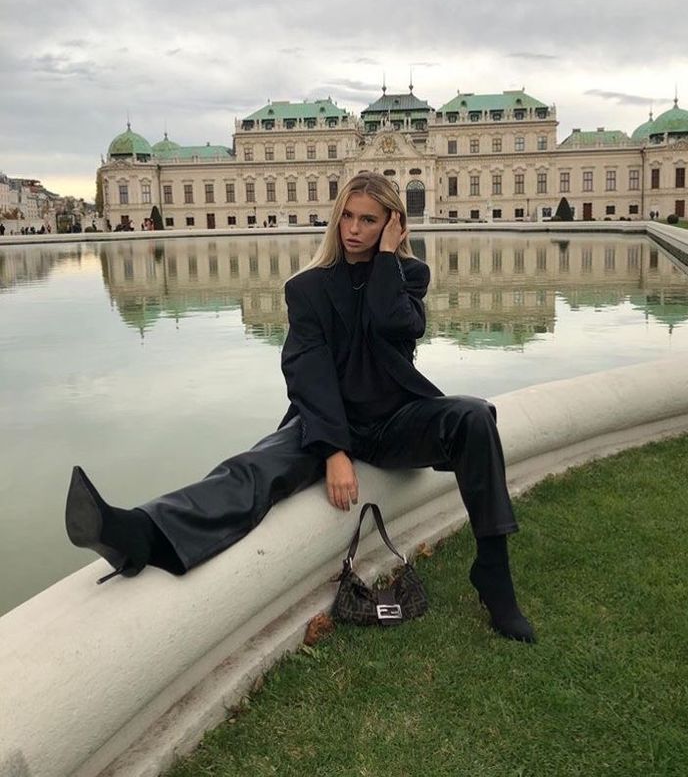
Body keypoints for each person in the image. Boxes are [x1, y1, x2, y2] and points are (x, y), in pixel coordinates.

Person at [64, 173, 534, 642]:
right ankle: (137, 534)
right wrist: (333, 450)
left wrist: (388, 256)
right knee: (255, 469)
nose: (352, 229)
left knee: (473, 415)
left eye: (368, 220)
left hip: (395, 419)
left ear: (393, 224)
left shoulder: (408, 276)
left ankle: (494, 574)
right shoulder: (307, 288)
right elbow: (308, 371)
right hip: (327, 417)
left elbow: (396, 324)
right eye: (347, 216)